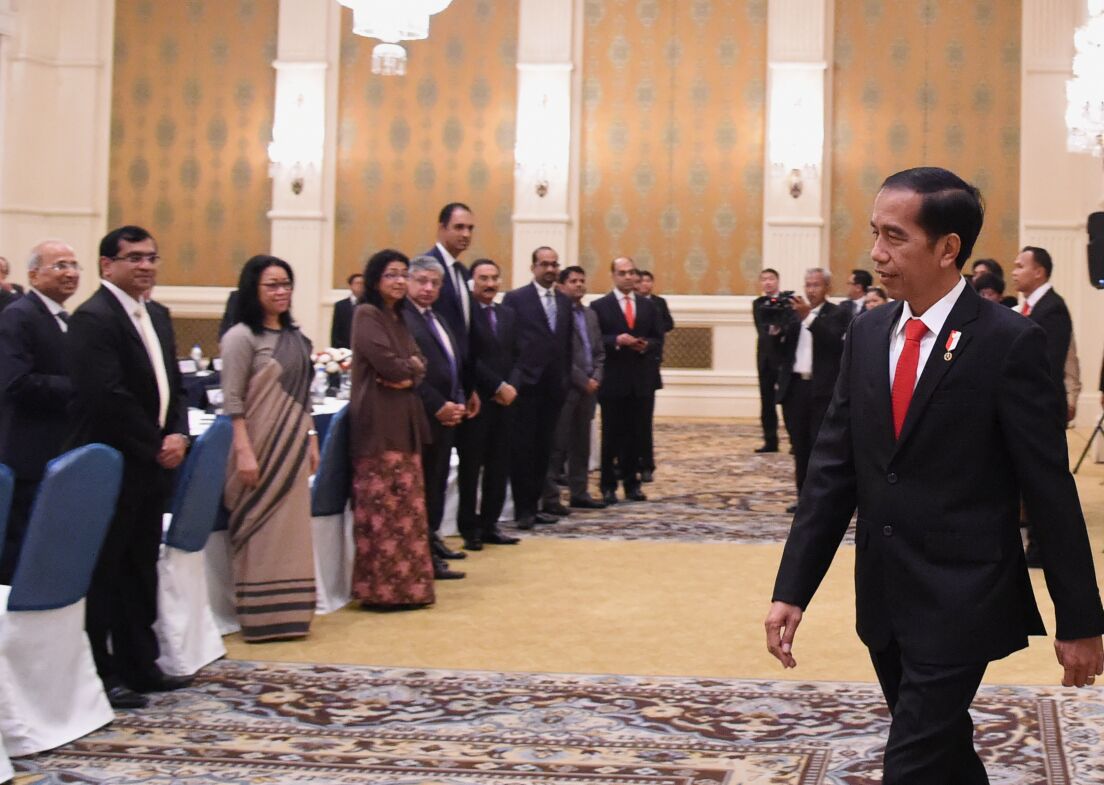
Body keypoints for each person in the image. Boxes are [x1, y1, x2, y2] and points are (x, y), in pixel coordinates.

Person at [766, 167, 1104, 785]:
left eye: (895, 237)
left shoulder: (1009, 341)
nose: (877, 252)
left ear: (948, 248)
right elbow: (832, 473)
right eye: (875, 232)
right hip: (884, 597)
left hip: (964, 597)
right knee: (942, 754)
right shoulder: (868, 332)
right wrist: (793, 589)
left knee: (910, 764)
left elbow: (1049, 490)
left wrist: (1080, 619)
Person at [67, 225, 189, 709]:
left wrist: (179, 433)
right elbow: (106, 396)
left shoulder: (156, 314)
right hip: (114, 463)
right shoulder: (92, 318)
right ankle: (105, 670)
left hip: (154, 462)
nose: (145, 266)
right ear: (107, 265)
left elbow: (174, 385)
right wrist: (155, 443)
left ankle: (142, 663)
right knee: (108, 568)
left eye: (151, 257)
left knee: (141, 565)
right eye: (134, 257)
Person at [220, 255, 318, 641]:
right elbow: (232, 399)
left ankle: (293, 611)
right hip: (258, 444)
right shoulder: (241, 337)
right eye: (272, 285)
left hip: (293, 443)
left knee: (291, 530)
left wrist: (311, 438)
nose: (281, 292)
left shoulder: (295, 337)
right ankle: (260, 616)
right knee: (260, 528)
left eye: (286, 284)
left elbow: (305, 396)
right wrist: (243, 450)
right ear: (253, 289)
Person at [348, 249, 436, 608]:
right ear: (375, 280)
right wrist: (407, 370)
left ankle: (410, 589)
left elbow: (420, 363)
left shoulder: (398, 316)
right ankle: (380, 591)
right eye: (391, 275)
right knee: (382, 507)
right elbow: (390, 365)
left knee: (407, 507)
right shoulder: (367, 314)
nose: (400, 281)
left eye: (403, 274)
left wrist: (408, 371)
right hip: (379, 421)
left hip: (404, 418)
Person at [0, 240, 80, 583]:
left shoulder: (66, 318)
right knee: (20, 549)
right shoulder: (19, 315)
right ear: (33, 275)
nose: (70, 273)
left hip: (59, 449)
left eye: (74, 265)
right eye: (60, 265)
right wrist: (79, 387)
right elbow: (16, 382)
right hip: (28, 452)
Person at [403, 254, 478, 577]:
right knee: (423, 485)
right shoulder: (403, 319)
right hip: (422, 415)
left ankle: (433, 539)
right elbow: (413, 375)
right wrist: (438, 405)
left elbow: (452, 364)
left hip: (448, 413)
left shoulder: (439, 318)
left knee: (436, 482)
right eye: (421, 281)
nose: (428, 288)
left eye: (435, 283)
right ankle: (424, 553)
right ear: (408, 281)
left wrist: (460, 398)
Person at [501, 246, 573, 528]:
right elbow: (508, 343)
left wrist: (565, 379)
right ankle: (523, 510)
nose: (550, 269)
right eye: (544, 264)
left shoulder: (564, 301)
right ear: (533, 268)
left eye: (554, 264)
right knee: (523, 449)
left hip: (554, 387)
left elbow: (566, 344)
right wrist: (515, 379)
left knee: (545, 448)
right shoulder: (516, 298)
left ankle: (537, 504)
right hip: (526, 386)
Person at [455, 258, 521, 550]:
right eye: (484, 278)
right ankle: (470, 528)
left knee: (499, 465)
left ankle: (490, 524)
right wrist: (496, 386)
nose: (490, 284)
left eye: (494, 278)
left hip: (506, 403)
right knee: (472, 468)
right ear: (472, 282)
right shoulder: (464, 315)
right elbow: (467, 357)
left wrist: (512, 386)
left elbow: (519, 354)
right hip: (477, 401)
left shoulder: (508, 314)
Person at [590, 256, 664, 506]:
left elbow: (658, 338)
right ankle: (608, 486)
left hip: (641, 381)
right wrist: (616, 340)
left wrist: (646, 345)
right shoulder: (600, 306)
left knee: (636, 434)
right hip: (613, 381)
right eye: (622, 273)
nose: (628, 277)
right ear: (613, 275)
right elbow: (595, 340)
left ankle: (633, 485)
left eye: (632, 272)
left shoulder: (648, 306)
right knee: (611, 436)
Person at [774, 268, 848, 510]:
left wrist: (809, 318)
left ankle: (822, 499)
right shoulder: (794, 315)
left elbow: (834, 343)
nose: (810, 290)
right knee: (800, 446)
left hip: (822, 390)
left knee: (820, 446)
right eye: (807, 285)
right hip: (795, 388)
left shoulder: (838, 313)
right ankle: (803, 498)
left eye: (816, 285)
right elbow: (780, 352)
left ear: (827, 288)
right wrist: (775, 330)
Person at [542, 265, 606, 512]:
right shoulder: (556, 314)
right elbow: (560, 354)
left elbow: (599, 351)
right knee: (558, 444)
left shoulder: (590, 315)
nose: (579, 284)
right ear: (560, 286)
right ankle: (550, 497)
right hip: (566, 387)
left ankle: (579, 492)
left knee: (581, 444)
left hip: (590, 388)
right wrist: (582, 380)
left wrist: (596, 376)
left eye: (582, 280)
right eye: (573, 281)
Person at [635, 269, 673, 482]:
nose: (643, 284)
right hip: (622, 370)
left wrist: (647, 343)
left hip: (648, 364)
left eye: (647, 280)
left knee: (644, 421)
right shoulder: (613, 306)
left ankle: (646, 464)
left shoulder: (655, 305)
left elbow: (665, 328)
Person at [427, 202, 476, 359]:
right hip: (435, 360)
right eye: (459, 227)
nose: (466, 234)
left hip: (460, 363)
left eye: (470, 228)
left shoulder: (463, 271)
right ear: (442, 228)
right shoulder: (426, 267)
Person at [751, 269, 784, 453]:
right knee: (767, 402)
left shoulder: (787, 301)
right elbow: (761, 328)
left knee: (788, 400)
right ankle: (770, 441)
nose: (767, 282)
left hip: (784, 358)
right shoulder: (758, 303)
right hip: (765, 359)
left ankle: (795, 441)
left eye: (771, 279)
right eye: (764, 279)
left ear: (777, 281)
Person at [330, 272, 364, 350]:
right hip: (345, 348)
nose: (360, 286)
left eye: (363, 284)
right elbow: (336, 330)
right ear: (350, 286)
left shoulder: (369, 305)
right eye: (358, 283)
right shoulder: (340, 305)